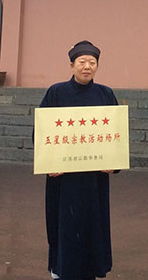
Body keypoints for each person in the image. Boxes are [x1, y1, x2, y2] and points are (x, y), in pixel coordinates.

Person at [39, 40, 118, 280]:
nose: (87, 67)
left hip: (94, 179)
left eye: (92, 62)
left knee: (92, 224)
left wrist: (113, 163)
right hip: (63, 180)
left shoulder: (105, 94)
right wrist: (49, 163)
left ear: (97, 66)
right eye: (82, 62)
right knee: (64, 224)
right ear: (71, 65)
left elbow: (116, 133)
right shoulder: (56, 92)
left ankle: (91, 270)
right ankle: (61, 269)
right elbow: (41, 131)